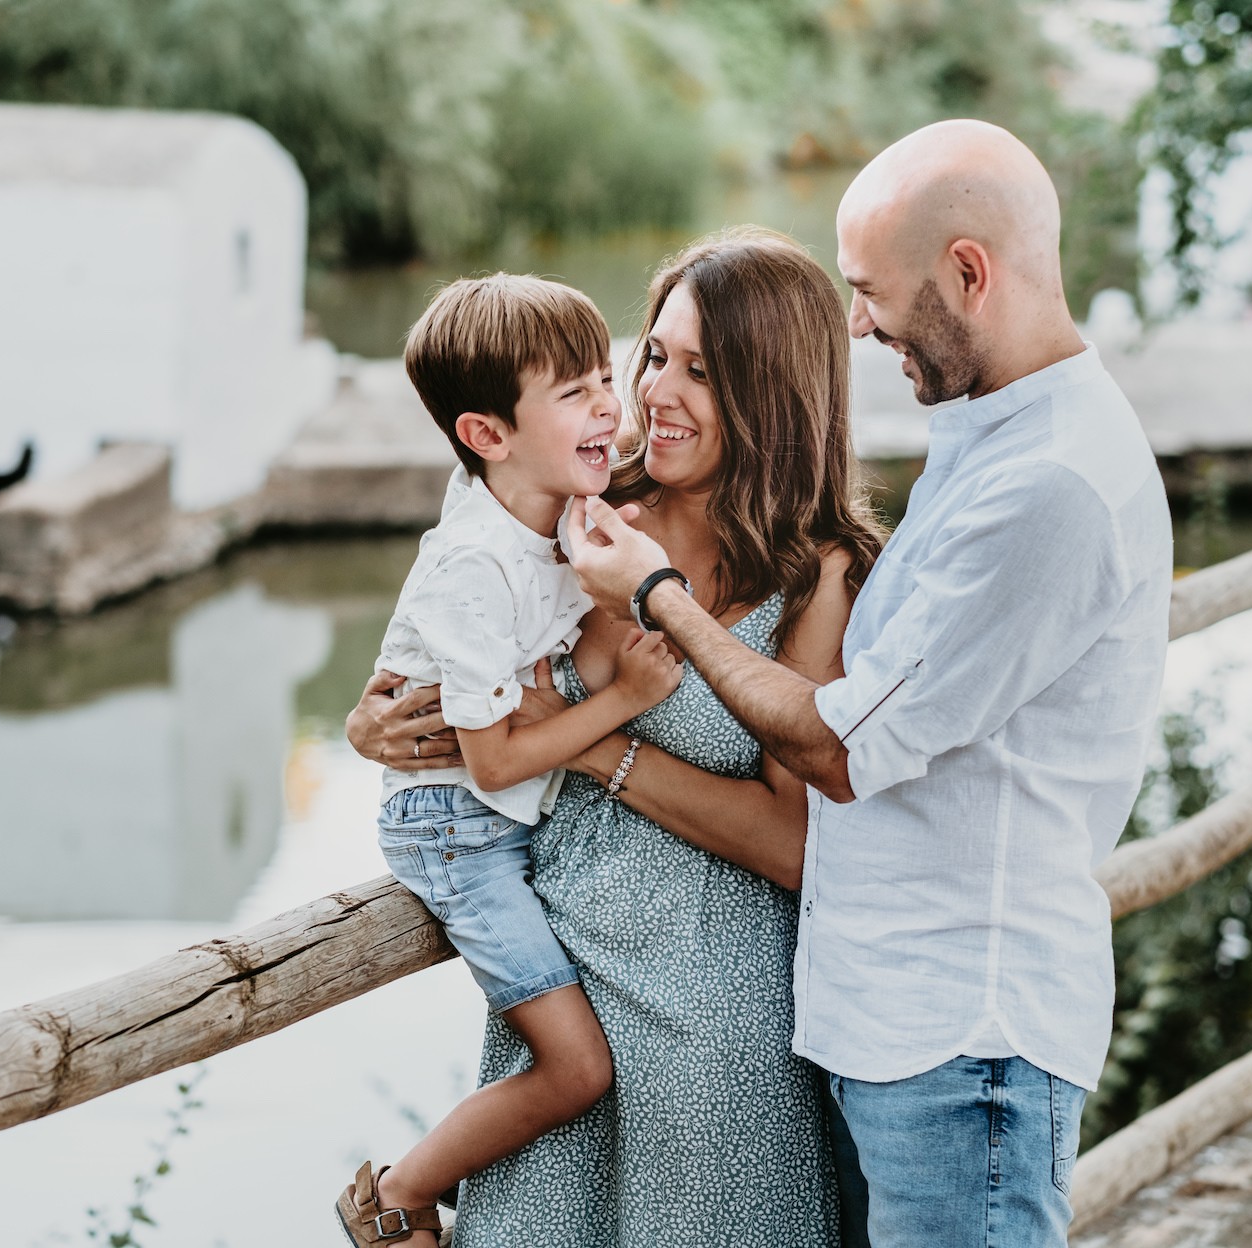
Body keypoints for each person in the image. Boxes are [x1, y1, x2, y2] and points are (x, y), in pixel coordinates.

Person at [566, 120, 1174, 1248]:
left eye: (868, 290)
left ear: (967, 274)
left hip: (962, 1045)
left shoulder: (1051, 483)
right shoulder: (989, 436)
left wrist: (660, 601)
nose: (855, 322)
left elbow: (840, 749)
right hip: (887, 1026)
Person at [349, 228, 887, 1247]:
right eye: (656, 355)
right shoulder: (576, 499)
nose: (658, 393)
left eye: (703, 372)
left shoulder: (821, 574)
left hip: (718, 1020)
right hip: (560, 982)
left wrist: (597, 747)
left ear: (775, 393)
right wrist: (371, 722)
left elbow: (798, 841)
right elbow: (449, 645)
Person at [336, 274, 686, 1248]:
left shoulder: (555, 502)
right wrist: (625, 699)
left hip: (508, 815)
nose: (611, 407)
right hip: (459, 832)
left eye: (605, 377)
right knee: (576, 1069)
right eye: (575, 392)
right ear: (488, 435)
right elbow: (491, 765)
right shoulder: (476, 568)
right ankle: (394, 1200)